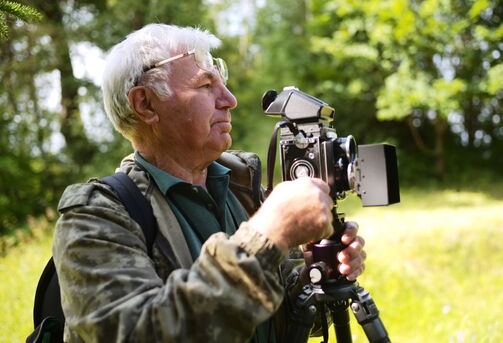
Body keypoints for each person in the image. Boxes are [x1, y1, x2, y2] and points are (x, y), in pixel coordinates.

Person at [53, 23, 367, 343]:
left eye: (223, 84)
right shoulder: (95, 217)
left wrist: (319, 275)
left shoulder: (243, 188)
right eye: (205, 85)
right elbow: (139, 333)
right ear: (145, 104)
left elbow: (286, 319)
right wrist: (268, 237)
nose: (229, 100)